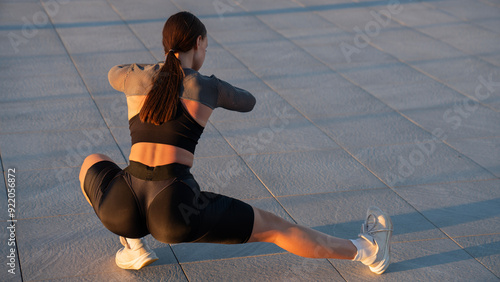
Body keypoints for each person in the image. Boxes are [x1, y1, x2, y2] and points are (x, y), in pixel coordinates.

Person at [79, 11, 393, 275]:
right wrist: (215, 89)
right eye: (206, 46)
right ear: (198, 43)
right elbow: (248, 101)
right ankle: (368, 251)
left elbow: (112, 73)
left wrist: (147, 71)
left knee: (92, 162)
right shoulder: (207, 87)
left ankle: (132, 244)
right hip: (175, 209)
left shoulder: (135, 77)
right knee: (275, 228)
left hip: (122, 206)